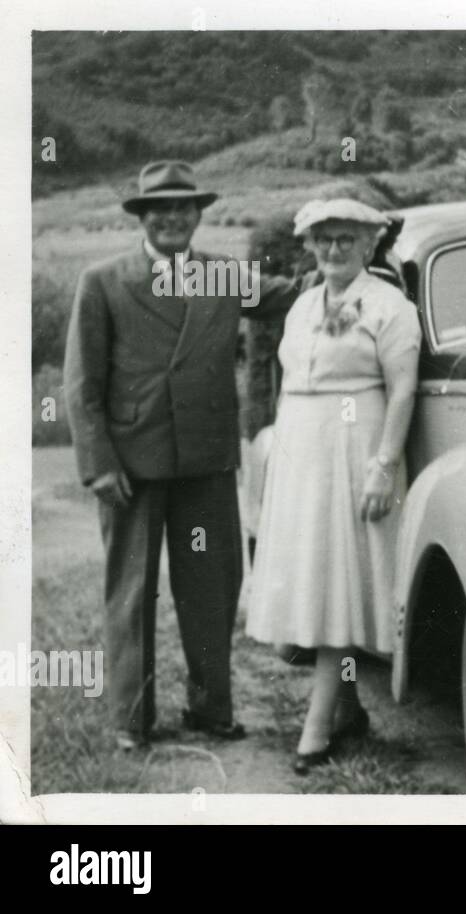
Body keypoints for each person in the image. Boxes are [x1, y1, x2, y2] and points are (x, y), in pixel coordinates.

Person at [63, 160, 305, 751]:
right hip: (131, 468)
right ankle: (132, 719)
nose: (172, 218)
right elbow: (81, 385)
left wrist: (359, 251)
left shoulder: (225, 277)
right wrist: (98, 464)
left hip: (206, 463)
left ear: (199, 215)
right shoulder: (103, 280)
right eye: (159, 210)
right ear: (143, 217)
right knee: (131, 592)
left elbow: (298, 295)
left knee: (212, 588)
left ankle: (211, 709)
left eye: (183, 208)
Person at [244, 198, 422, 774]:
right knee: (312, 580)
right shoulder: (300, 307)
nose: (335, 249)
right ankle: (348, 710)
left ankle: (316, 732)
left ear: (370, 245)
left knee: (338, 583)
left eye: (347, 239)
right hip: (304, 452)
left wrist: (383, 465)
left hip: (354, 449)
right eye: (324, 239)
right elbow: (288, 377)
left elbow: (401, 391)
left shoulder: (390, 306)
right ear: (311, 246)